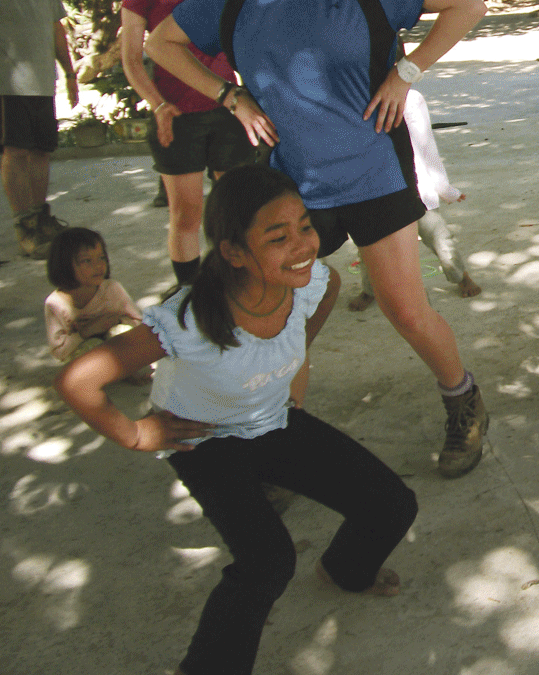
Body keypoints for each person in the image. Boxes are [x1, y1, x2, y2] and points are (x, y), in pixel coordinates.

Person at [144, 0, 490, 477]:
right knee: (277, 318)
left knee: (405, 309)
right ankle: (276, 441)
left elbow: (468, 4)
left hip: (373, 170)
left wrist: (405, 73)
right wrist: (230, 97)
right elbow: (161, 42)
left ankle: (463, 399)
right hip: (292, 186)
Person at [53, 165, 417, 675]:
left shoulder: (312, 282)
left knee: (393, 503)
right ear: (233, 252)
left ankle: (345, 570)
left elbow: (329, 289)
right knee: (268, 564)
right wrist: (137, 434)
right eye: (277, 236)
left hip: (271, 419)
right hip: (203, 442)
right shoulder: (188, 321)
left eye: (305, 226)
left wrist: (285, 370)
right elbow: (77, 382)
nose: (302, 244)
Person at [120, 0, 256, 289]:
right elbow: (132, 58)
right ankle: (190, 293)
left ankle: (238, 284)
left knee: (236, 208)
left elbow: (243, 39)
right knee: (187, 213)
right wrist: (158, 104)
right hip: (177, 115)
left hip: (227, 108)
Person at [348, 88, 481, 310]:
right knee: (369, 245)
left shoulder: (410, 99)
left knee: (440, 238)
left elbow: (426, 145)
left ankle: (461, 276)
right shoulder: (353, 95)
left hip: (415, 188)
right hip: (372, 191)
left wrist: (444, 188)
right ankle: (370, 289)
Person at [1, 0, 77, 259]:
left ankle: (42, 216)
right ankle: (25, 226)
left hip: (41, 80)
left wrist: (70, 72)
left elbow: (54, 26)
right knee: (15, 151)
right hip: (6, 82)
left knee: (41, 151)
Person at [44, 227, 143, 364]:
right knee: (93, 345)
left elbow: (140, 324)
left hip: (119, 353)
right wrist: (87, 332)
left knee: (122, 331)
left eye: (101, 257)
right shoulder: (55, 304)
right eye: (87, 261)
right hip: (87, 362)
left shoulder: (111, 289)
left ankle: (130, 369)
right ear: (64, 265)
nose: (98, 266)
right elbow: (59, 352)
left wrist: (116, 321)